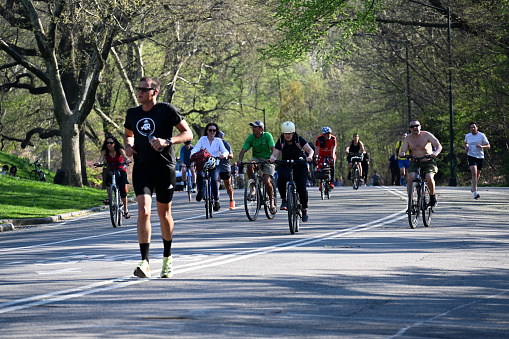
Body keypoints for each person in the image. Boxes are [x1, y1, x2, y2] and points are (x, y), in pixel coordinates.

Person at [124, 76, 193, 279]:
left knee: (164, 214)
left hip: (164, 168)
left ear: (155, 92)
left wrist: (167, 141)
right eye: (139, 89)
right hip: (142, 169)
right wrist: (128, 146)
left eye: (144, 89)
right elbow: (129, 133)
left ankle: (167, 257)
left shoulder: (167, 110)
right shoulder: (133, 113)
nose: (140, 92)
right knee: (144, 211)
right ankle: (145, 262)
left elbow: (187, 134)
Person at [269, 121, 314, 222]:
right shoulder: (281, 141)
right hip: (286, 164)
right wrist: (272, 158)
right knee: (281, 178)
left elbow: (310, 150)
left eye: (289, 133)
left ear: (293, 133)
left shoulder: (299, 139)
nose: (287, 135)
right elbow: (275, 153)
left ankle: (304, 209)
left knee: (301, 188)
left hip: (300, 164)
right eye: (285, 133)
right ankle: (284, 200)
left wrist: (310, 157)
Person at [399, 120, 442, 208]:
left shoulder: (426, 135)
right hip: (415, 161)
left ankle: (432, 197)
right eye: (412, 127)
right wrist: (402, 153)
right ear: (410, 129)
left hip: (428, 161)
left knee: (429, 177)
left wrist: (435, 153)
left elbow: (438, 145)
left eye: (416, 126)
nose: (415, 128)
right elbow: (403, 149)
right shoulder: (408, 138)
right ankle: (411, 203)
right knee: (410, 177)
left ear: (420, 126)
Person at [237, 120, 277, 214]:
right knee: (250, 164)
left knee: (267, 181)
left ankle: (271, 203)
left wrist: (272, 158)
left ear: (261, 129)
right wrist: (240, 160)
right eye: (253, 127)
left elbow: (273, 149)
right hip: (257, 159)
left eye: (255, 127)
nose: (253, 129)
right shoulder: (251, 137)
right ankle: (253, 187)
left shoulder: (267, 136)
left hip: (268, 159)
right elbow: (243, 150)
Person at [191, 123, 229, 211]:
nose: (212, 132)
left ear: (216, 132)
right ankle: (200, 191)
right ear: (207, 131)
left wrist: (223, 155)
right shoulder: (202, 139)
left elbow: (225, 151)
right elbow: (196, 148)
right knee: (200, 175)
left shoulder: (218, 140)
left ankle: (216, 200)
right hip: (203, 162)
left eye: (214, 130)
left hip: (215, 163)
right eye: (210, 130)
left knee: (214, 179)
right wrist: (192, 154)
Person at [94, 135, 132, 218]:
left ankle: (125, 210)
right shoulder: (105, 151)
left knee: (122, 189)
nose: (109, 145)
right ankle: (109, 197)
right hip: (112, 170)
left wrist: (127, 160)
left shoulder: (119, 150)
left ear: (114, 143)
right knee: (108, 176)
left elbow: (125, 157)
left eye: (111, 143)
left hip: (121, 170)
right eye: (107, 143)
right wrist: (98, 163)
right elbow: (101, 159)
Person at [464, 121, 490, 200]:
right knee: (474, 173)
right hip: (471, 156)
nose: (472, 129)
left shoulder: (481, 135)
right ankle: (475, 192)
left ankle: (473, 184)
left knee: (477, 174)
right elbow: (465, 143)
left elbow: (488, 145)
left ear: (477, 128)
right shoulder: (468, 136)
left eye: (474, 127)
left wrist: (481, 146)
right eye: (471, 127)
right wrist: (466, 147)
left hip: (480, 157)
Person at [219, 131, 235, 209]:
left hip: (225, 167)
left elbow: (231, 155)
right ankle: (216, 201)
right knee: (216, 183)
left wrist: (224, 156)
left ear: (222, 138)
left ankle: (231, 200)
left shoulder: (225, 144)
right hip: (216, 166)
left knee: (228, 186)